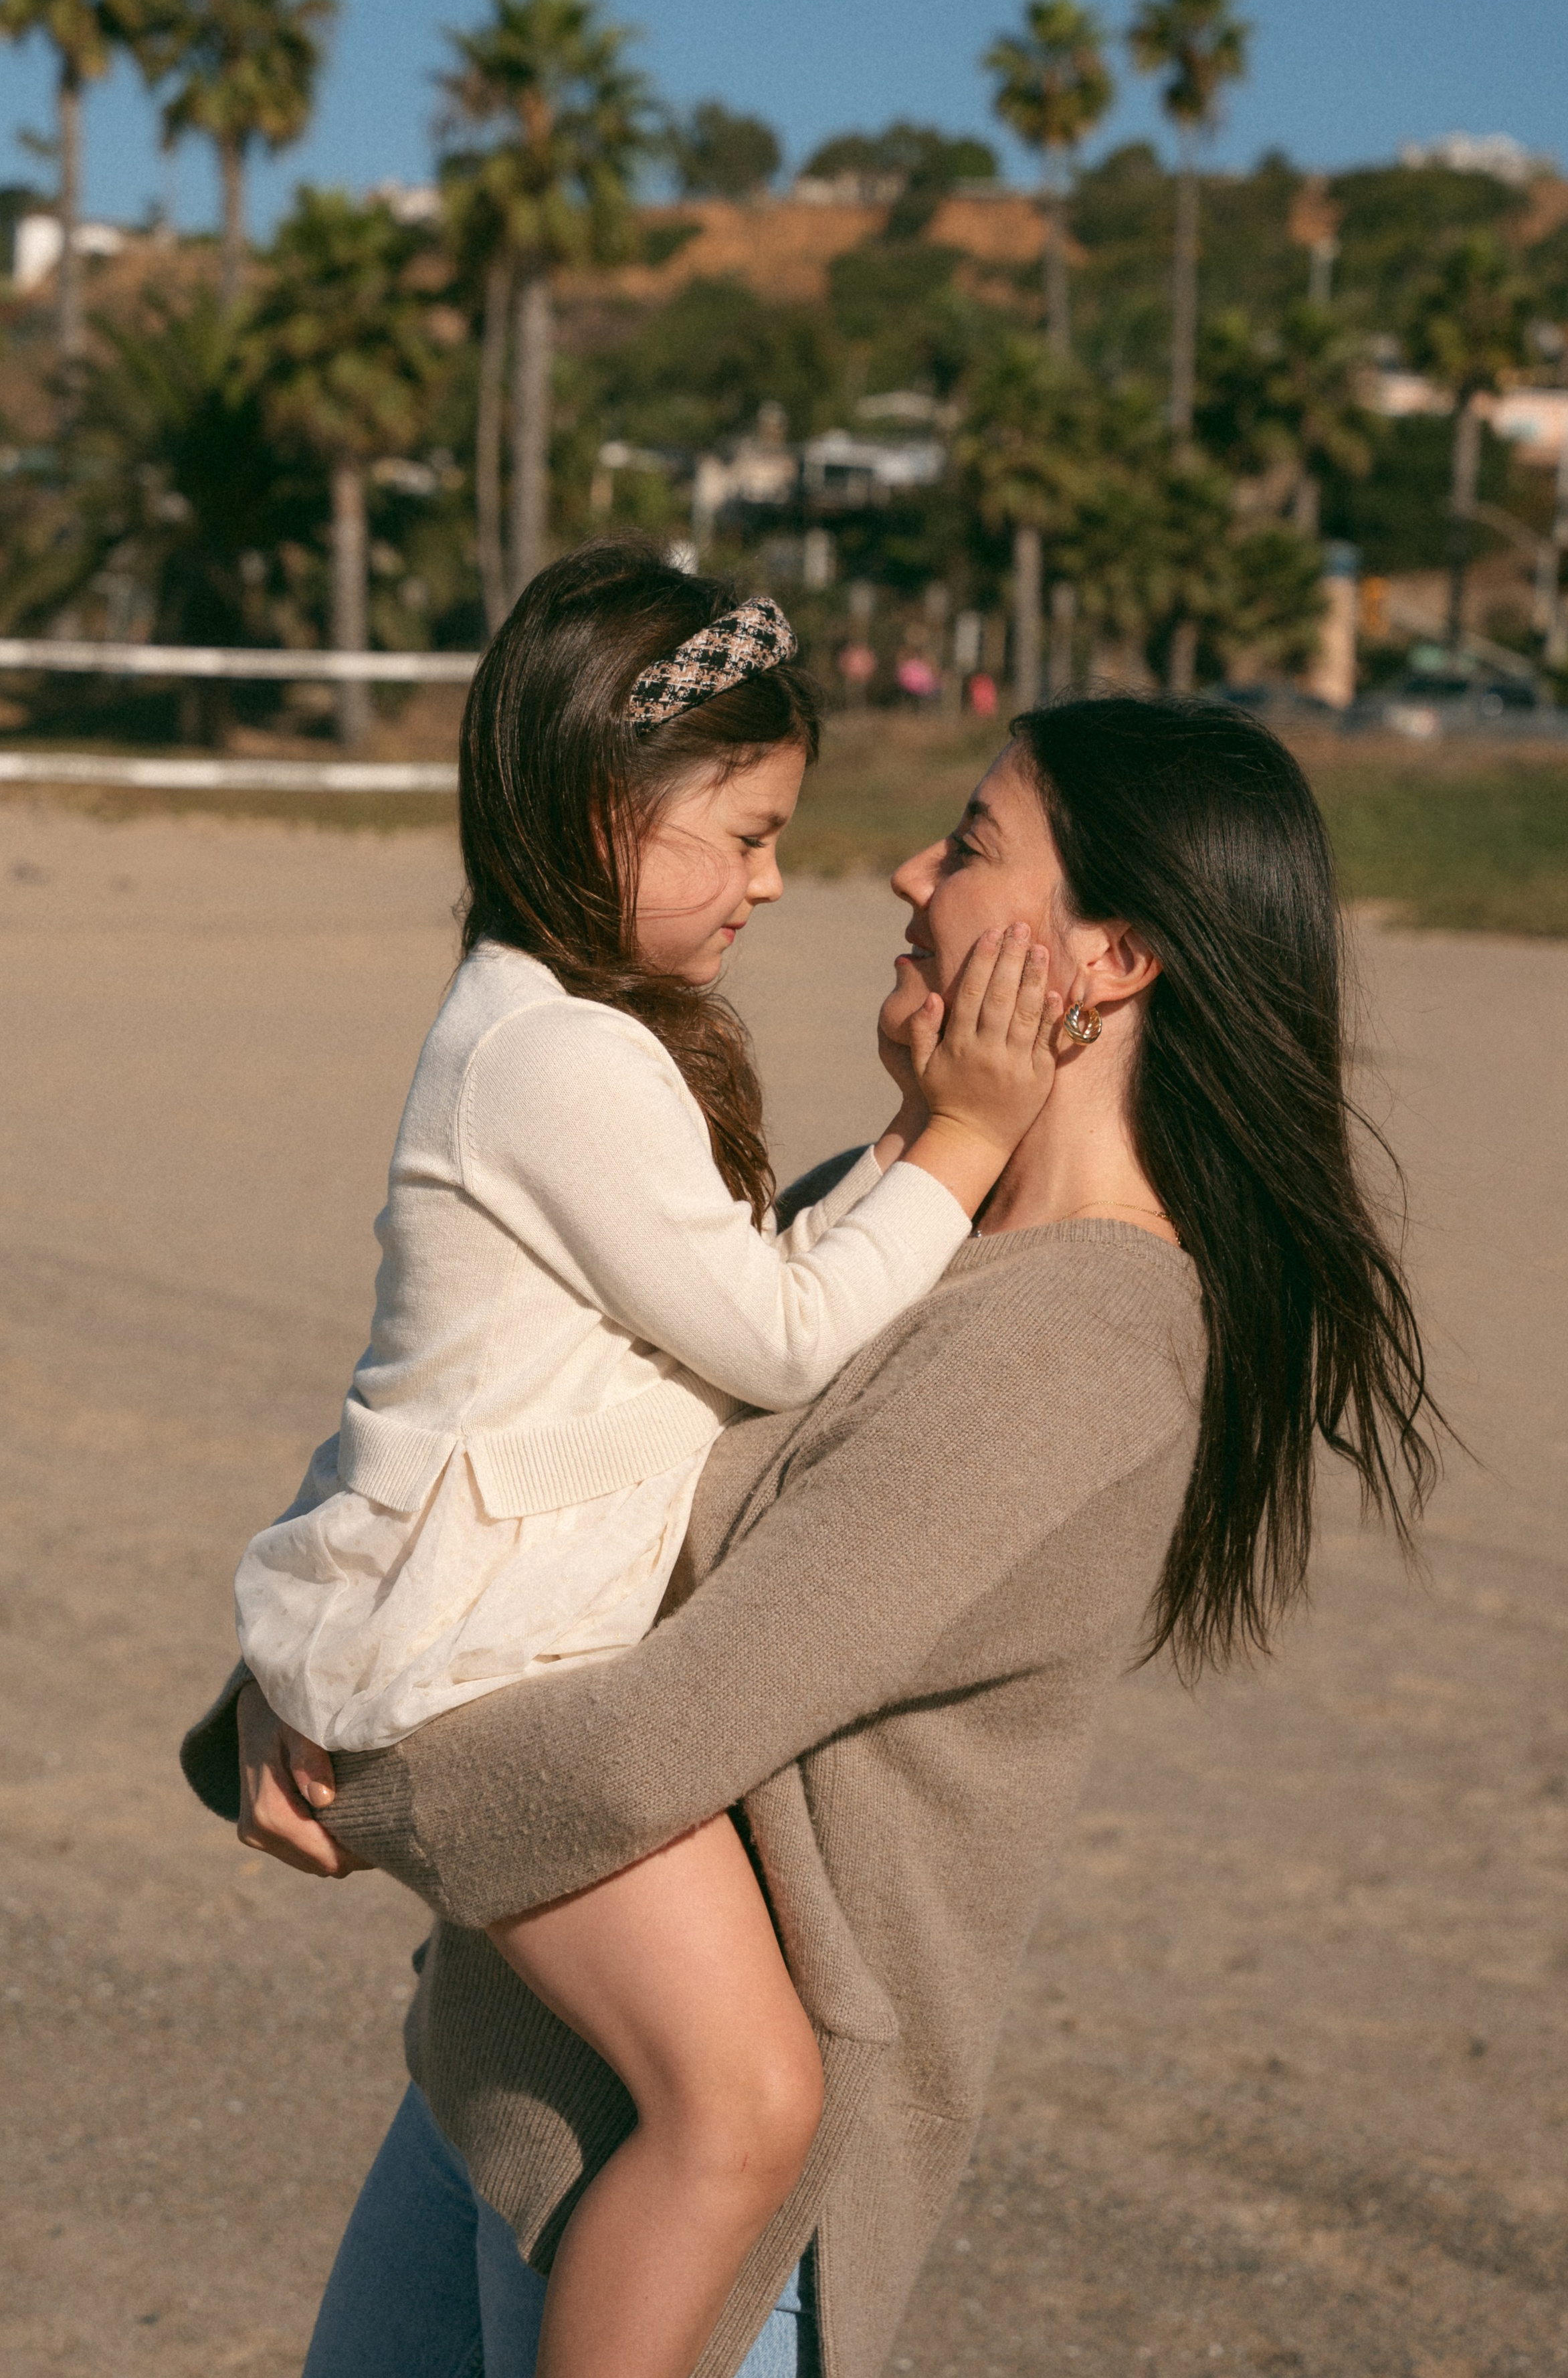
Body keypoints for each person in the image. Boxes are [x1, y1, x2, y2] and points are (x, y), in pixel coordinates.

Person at [185, 693, 1444, 2378]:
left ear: (1112, 957)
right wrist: (289, 1667)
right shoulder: (889, 1205)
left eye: (973, 845)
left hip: (707, 2211)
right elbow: (506, 1418)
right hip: (501, 2077)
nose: (908, 872)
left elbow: (655, 1740)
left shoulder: (1072, 1352)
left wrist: (358, 1757)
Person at [227, 543, 1062, 2378]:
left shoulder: (553, 1030)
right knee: (746, 2100)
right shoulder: (557, 1057)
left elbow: (661, 1327)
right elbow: (780, 1335)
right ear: (606, 810)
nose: (772, 880)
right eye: (745, 834)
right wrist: (965, 1136)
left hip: (472, 1642)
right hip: (483, 1670)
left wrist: (903, 1142)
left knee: (725, 2098)